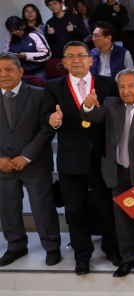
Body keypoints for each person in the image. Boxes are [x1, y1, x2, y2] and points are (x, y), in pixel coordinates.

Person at [79, 67, 134, 277]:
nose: (126, 91)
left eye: (130, 86)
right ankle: (129, 259)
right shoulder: (111, 104)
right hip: (117, 172)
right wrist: (88, 105)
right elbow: (92, 116)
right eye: (122, 86)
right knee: (123, 220)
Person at [42, 41, 121, 275]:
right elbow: (48, 115)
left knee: (106, 206)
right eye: (70, 56)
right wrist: (52, 120)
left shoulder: (107, 84)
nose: (76, 60)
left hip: (102, 156)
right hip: (70, 157)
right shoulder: (52, 87)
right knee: (74, 209)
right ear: (63, 62)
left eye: (81, 55)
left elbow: (116, 117)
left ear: (91, 59)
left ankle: (112, 248)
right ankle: (82, 255)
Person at [0, 52, 60, 267]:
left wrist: (26, 156)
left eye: (8, 69)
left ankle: (52, 246)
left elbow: (47, 129)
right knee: (8, 207)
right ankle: (15, 245)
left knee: (42, 207)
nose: (4, 74)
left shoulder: (40, 94)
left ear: (21, 71)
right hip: (3, 166)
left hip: (34, 163)